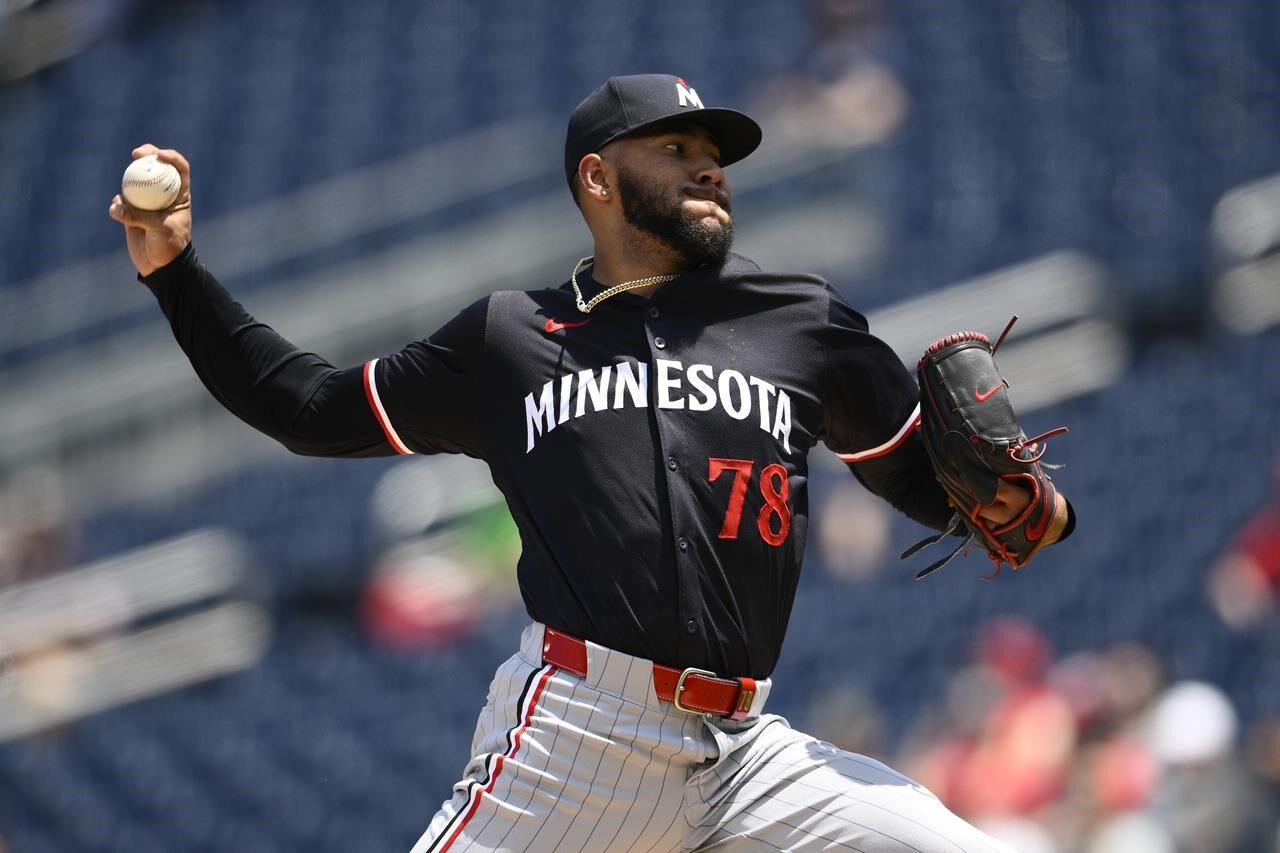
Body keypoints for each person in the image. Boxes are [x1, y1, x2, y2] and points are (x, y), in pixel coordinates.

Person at [110, 74, 1072, 852]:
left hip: (747, 753)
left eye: (715, 156)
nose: (711, 171)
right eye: (679, 150)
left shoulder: (800, 318)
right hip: (578, 740)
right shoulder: (509, 339)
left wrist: (1015, 504)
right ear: (600, 181)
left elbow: (917, 470)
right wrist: (177, 274)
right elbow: (307, 407)